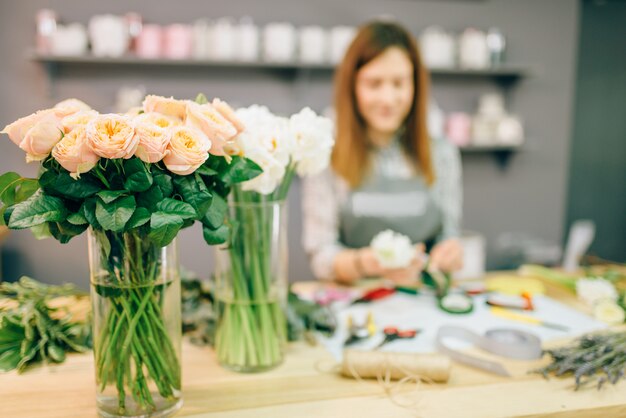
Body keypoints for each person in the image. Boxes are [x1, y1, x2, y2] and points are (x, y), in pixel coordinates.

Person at [302, 20, 463, 285]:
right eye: (374, 84)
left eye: (399, 83)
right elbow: (321, 254)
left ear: (415, 86)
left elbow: (448, 233)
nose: (388, 99)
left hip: (421, 296)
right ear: (352, 87)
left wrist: (449, 252)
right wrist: (365, 264)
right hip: (357, 301)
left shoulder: (442, 153)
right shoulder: (325, 154)